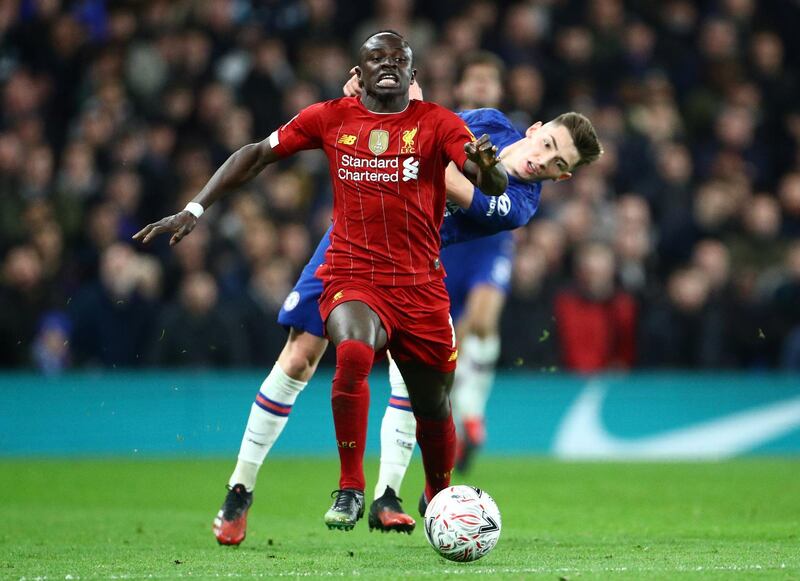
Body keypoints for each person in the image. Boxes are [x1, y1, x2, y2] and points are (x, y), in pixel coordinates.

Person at [201, 59, 601, 542]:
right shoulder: (491, 121)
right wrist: (379, 101)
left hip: (406, 266)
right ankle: (240, 488)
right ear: (535, 129)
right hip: (352, 238)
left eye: (560, 164)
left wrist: (403, 109)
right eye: (549, 144)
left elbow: (441, 169)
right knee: (301, 357)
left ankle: (387, 494)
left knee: (416, 376)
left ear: (563, 179)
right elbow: (419, 131)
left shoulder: (519, 205)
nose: (545, 159)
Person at [134, 31, 509, 533]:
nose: (388, 65)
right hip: (352, 273)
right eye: (376, 57)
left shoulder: (437, 122)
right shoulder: (331, 116)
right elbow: (256, 153)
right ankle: (344, 488)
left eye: (399, 59)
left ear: (414, 75)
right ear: (358, 72)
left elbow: (486, 177)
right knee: (345, 349)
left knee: (433, 405)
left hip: (418, 284)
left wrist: (491, 173)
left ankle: (436, 497)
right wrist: (195, 207)